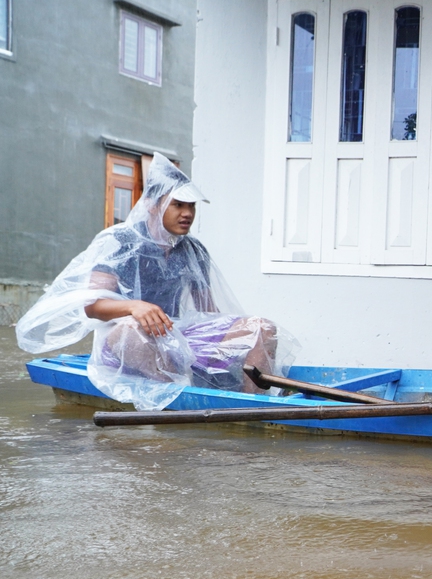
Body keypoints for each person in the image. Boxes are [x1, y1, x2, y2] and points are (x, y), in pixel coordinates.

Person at [16, 153, 298, 410]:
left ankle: (252, 405)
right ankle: (179, 397)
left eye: (191, 206)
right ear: (152, 205)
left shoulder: (193, 249)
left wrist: (228, 347)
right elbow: (92, 306)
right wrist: (134, 307)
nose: (187, 213)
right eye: (177, 204)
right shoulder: (120, 241)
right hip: (131, 340)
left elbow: (208, 311)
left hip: (180, 336)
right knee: (128, 330)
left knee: (262, 328)